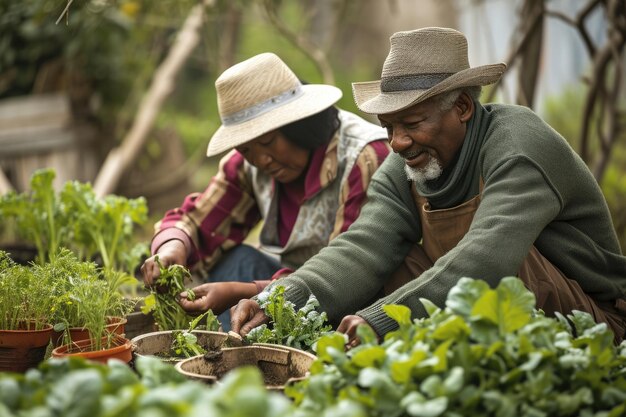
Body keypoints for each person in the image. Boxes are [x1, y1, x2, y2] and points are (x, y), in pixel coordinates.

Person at [231, 27, 626, 344]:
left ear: (462, 108)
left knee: (505, 264)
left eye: (413, 124)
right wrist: (281, 299)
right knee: (382, 266)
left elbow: (487, 260)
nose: (398, 142)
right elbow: (363, 246)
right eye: (389, 128)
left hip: (593, 321)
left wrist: (382, 319)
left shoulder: (518, 145)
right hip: (489, 307)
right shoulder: (407, 162)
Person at [141, 52, 389, 330]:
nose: (262, 160)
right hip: (286, 286)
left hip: (351, 297)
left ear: (300, 124)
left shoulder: (362, 157)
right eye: (247, 149)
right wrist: (172, 245)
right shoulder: (248, 166)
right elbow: (200, 219)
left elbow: (350, 268)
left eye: (269, 142)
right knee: (235, 261)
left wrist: (245, 292)